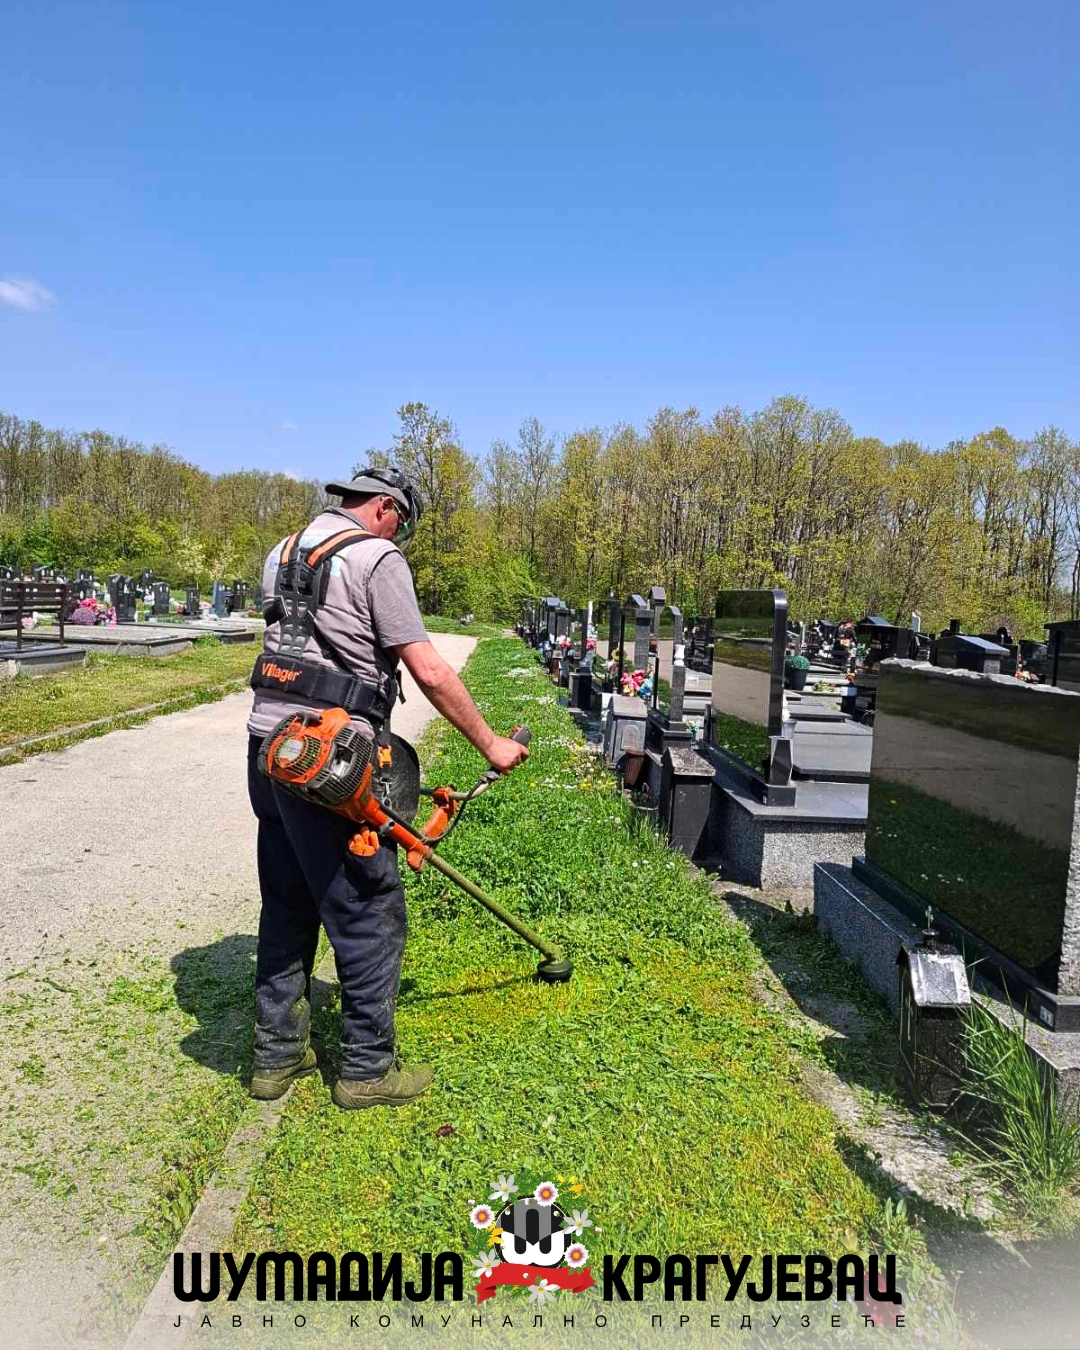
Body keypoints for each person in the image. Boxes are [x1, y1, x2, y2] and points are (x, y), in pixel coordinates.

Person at [245, 467, 528, 1110]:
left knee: (286, 900)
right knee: (368, 908)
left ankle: (275, 1058)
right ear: (383, 507)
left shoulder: (284, 550)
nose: (401, 530)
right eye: (401, 518)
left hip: (270, 748)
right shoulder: (377, 558)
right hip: (333, 763)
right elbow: (425, 665)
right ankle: (368, 1069)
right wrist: (491, 744)